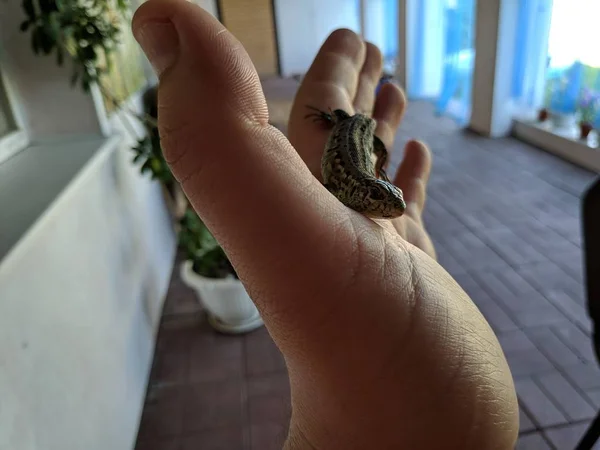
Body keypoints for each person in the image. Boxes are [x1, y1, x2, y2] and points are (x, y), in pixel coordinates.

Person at [132, 1, 519, 448]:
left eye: (383, 196)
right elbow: (348, 172)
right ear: (366, 191)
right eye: (379, 196)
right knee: (346, 120)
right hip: (348, 129)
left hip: (357, 137)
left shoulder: (361, 184)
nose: (386, 206)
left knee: (361, 126)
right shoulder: (351, 183)